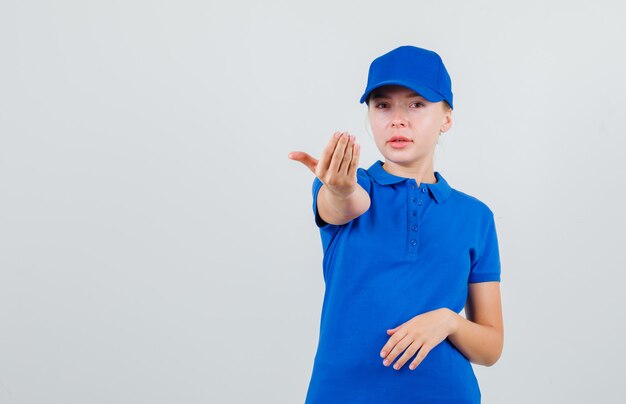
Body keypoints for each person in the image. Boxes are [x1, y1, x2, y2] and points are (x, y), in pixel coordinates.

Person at [288, 45, 503, 404]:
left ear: (446, 118)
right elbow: (345, 204)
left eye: (417, 104)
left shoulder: (476, 217)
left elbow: (491, 346)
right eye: (383, 105)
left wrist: (448, 321)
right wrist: (339, 189)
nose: (397, 120)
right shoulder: (348, 184)